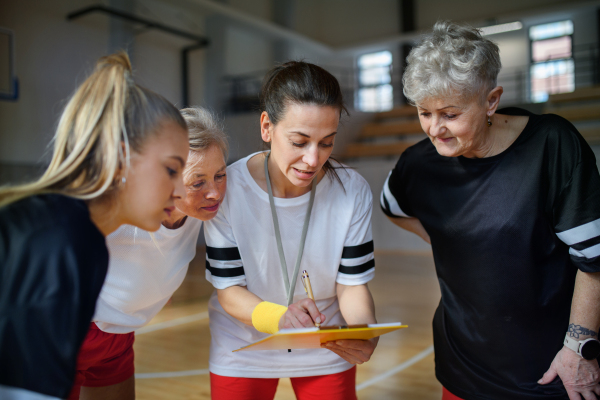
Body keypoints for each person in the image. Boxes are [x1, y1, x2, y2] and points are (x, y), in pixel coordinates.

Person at [380, 21, 600, 400]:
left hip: (550, 370)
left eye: (449, 114)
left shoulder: (552, 146)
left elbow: (594, 259)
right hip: (461, 366)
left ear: (491, 100)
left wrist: (579, 349)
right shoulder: (418, 164)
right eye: (424, 113)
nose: (434, 130)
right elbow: (393, 208)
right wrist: (450, 239)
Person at [0, 52, 189, 400]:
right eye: (171, 170)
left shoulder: (85, 241)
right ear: (119, 159)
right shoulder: (59, 240)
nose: (180, 191)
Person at [204, 61, 378, 400]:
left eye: (326, 142)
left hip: (325, 345)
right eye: (299, 142)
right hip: (243, 346)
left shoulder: (352, 190)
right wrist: (280, 318)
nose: (313, 159)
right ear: (267, 127)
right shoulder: (227, 189)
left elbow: (353, 286)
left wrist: (364, 331)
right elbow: (229, 291)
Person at [68, 107, 228, 400]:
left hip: (118, 339)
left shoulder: (203, 209)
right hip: (67, 334)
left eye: (220, 175)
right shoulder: (118, 210)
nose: (215, 192)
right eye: (198, 182)